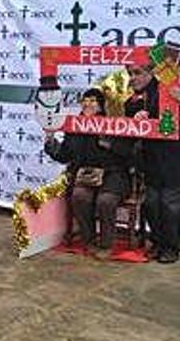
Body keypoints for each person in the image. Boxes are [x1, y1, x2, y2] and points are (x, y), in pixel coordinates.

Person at [125, 63, 180, 264]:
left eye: (137, 73)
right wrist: (136, 121)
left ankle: (171, 248)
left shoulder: (172, 90)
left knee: (170, 207)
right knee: (151, 204)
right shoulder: (132, 102)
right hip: (153, 165)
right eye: (130, 73)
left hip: (179, 162)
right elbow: (129, 132)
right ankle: (158, 243)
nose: (133, 77)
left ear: (151, 74)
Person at [44, 88, 134, 257]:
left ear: (101, 106)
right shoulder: (75, 127)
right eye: (85, 100)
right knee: (79, 197)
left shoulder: (114, 124)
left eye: (92, 100)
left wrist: (109, 144)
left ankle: (106, 245)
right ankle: (89, 240)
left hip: (113, 174)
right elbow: (64, 155)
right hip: (86, 175)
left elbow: (130, 154)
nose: (87, 103)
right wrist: (50, 141)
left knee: (105, 201)